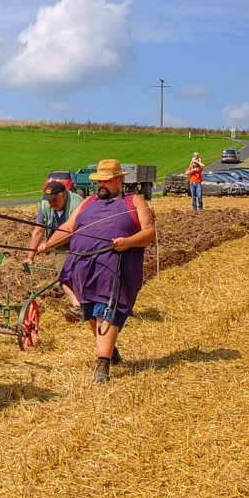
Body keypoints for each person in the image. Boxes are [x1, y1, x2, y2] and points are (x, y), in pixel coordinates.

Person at [37, 159, 156, 383]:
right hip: (81, 268)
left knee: (106, 312)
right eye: (99, 181)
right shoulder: (89, 202)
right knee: (92, 314)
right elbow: (68, 228)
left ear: (119, 180)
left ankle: (103, 363)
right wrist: (48, 244)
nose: (101, 185)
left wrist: (129, 242)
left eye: (106, 181)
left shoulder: (134, 201)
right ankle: (109, 350)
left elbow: (149, 232)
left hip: (114, 268)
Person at [26, 180, 83, 320]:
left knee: (82, 274)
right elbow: (38, 231)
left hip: (82, 243)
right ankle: (78, 307)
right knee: (63, 275)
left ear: (64, 195)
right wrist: (30, 257)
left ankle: (90, 304)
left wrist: (49, 244)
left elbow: (71, 231)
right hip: (60, 245)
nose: (52, 204)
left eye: (55, 199)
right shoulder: (45, 205)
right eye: (49, 200)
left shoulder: (78, 204)